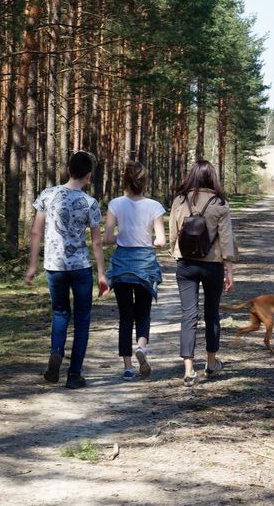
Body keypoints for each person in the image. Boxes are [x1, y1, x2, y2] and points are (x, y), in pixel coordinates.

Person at [25, 151, 109, 389]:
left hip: (55, 267)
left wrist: (32, 265)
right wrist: (101, 274)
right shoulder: (90, 203)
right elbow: (96, 242)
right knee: (82, 319)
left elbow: (36, 232)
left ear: (69, 170)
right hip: (81, 267)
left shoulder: (47, 194)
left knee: (60, 313)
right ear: (89, 176)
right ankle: (74, 375)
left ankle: (56, 352)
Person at [169, 160, 238, 387]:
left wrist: (174, 252)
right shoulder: (220, 202)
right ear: (212, 177)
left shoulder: (180, 200)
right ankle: (210, 363)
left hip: (185, 264)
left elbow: (173, 232)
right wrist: (229, 271)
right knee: (212, 314)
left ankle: (188, 370)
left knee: (188, 315)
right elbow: (226, 239)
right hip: (212, 265)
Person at [103, 161, 166, 381]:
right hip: (145, 266)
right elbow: (161, 241)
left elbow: (108, 238)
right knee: (143, 313)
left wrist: (122, 238)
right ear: (144, 181)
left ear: (125, 180)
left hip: (122, 265)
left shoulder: (115, 204)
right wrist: (148, 240)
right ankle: (141, 347)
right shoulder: (155, 206)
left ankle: (128, 367)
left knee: (125, 317)